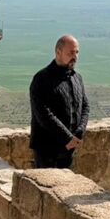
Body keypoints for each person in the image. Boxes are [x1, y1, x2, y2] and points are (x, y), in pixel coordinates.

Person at [29, 35, 89, 169]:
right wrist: (68, 138)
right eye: (71, 53)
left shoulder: (77, 78)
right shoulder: (41, 79)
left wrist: (79, 132)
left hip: (69, 150)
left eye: (77, 52)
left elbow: (85, 106)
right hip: (47, 150)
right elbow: (43, 114)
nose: (75, 56)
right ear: (58, 52)